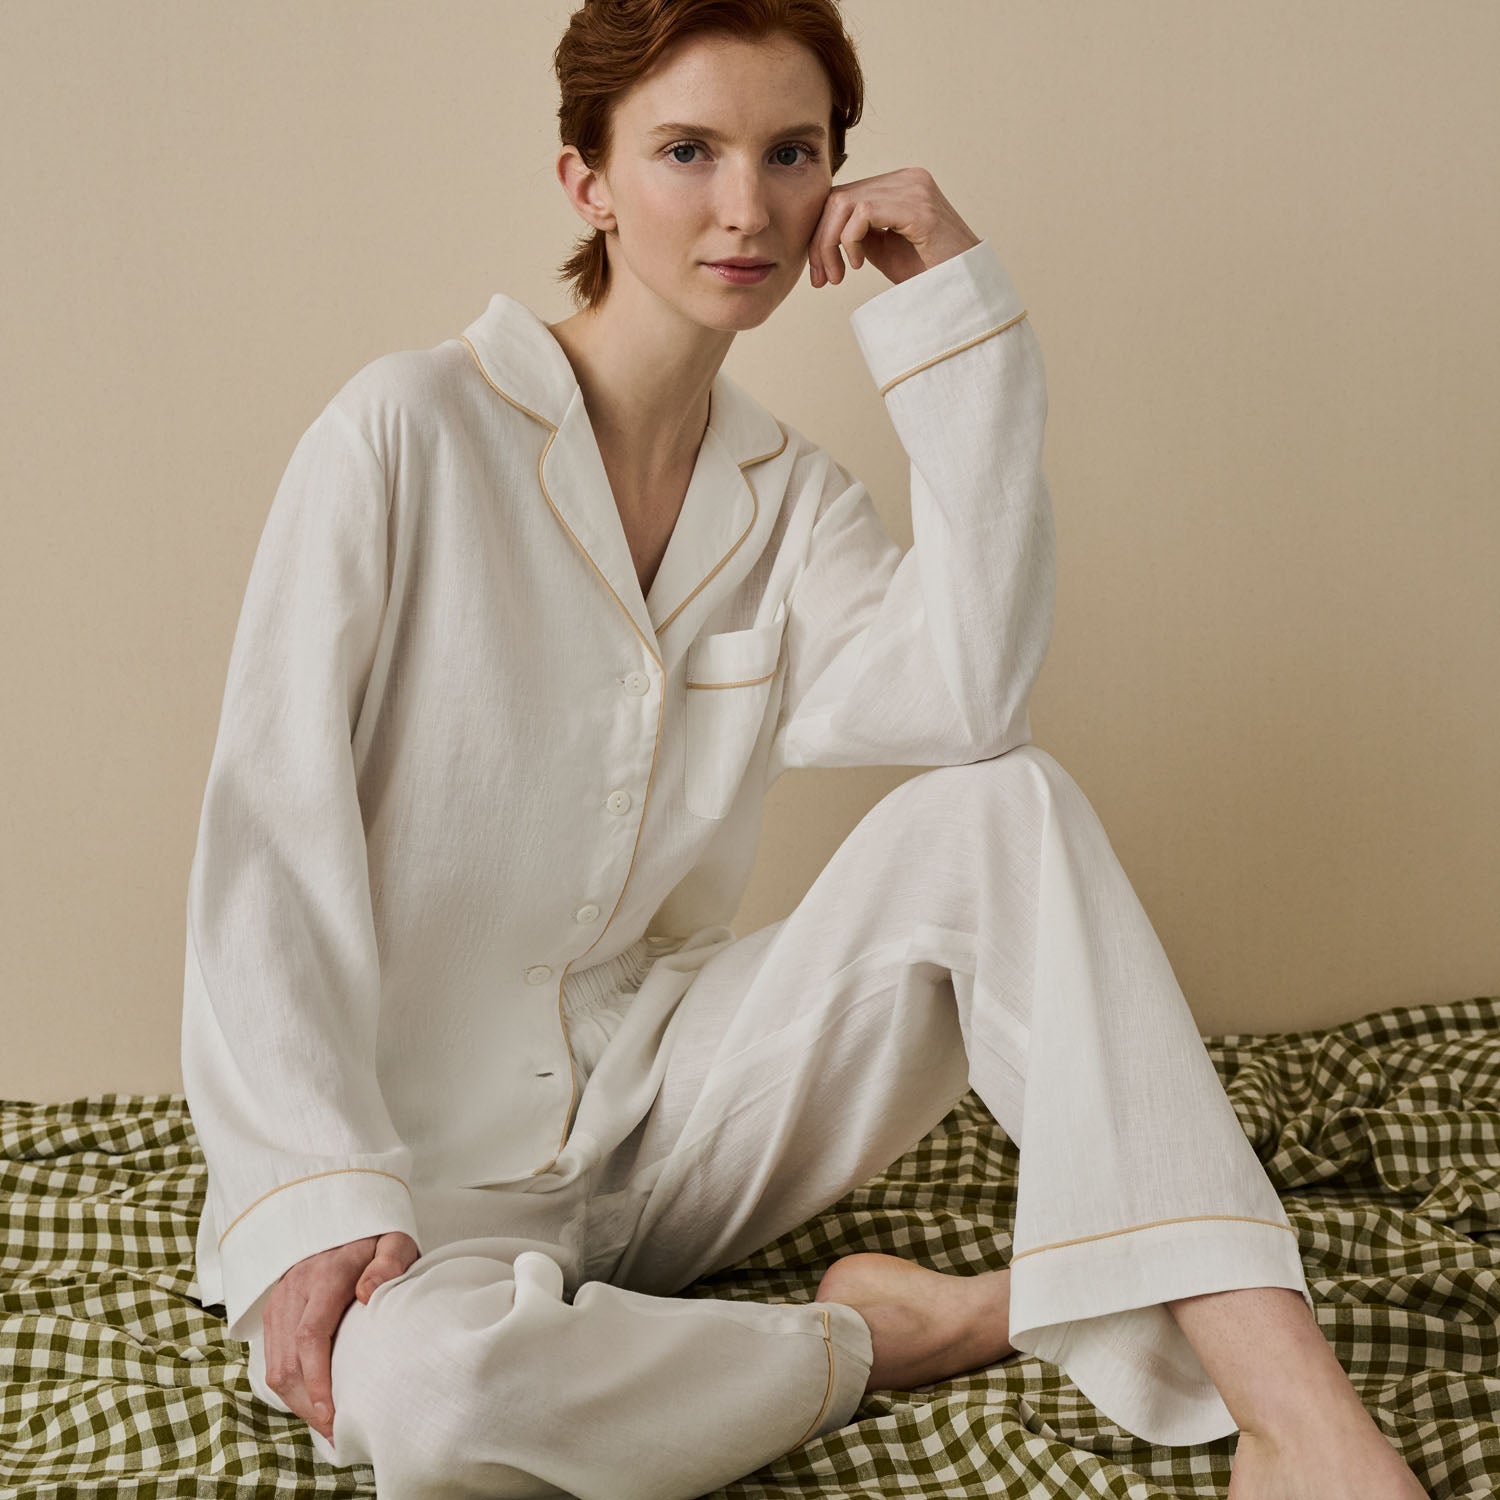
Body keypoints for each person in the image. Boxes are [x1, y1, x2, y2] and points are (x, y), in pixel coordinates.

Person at [179, 3, 1430, 1497]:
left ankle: (1299, 1420)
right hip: (413, 1196)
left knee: (1003, 808)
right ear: (586, 179)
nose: (747, 206)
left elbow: (969, 702)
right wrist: (313, 1197)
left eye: (791, 153)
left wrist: (952, 319)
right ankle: (892, 1336)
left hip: (675, 1131)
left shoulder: (791, 497)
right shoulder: (405, 433)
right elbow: (270, 844)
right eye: (686, 150)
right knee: (437, 1399)